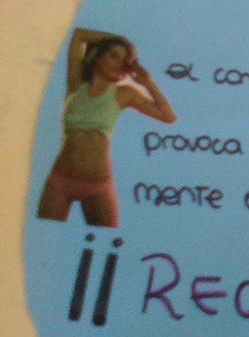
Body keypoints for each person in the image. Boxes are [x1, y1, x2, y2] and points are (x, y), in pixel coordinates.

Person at [37, 27, 176, 228]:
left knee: (106, 239)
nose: (118, 63)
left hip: (98, 186)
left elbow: (168, 117)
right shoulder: (76, 83)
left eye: (124, 60)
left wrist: (148, 83)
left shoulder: (124, 93)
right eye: (113, 55)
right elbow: (78, 35)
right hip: (59, 181)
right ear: (97, 56)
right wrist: (122, 40)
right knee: (43, 235)